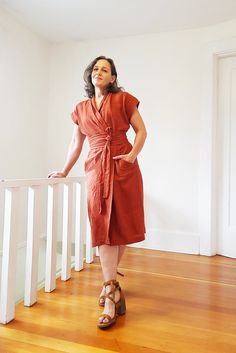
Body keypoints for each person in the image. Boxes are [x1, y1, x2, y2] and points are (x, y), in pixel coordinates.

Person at [48, 55, 147, 329]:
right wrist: (65, 171)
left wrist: (131, 155)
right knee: (101, 224)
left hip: (122, 165)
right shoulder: (81, 108)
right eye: (95, 68)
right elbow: (76, 143)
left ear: (113, 77)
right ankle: (110, 290)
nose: (99, 72)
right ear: (90, 75)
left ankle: (110, 288)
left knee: (123, 224)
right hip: (96, 167)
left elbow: (141, 132)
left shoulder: (124, 100)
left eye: (105, 69)